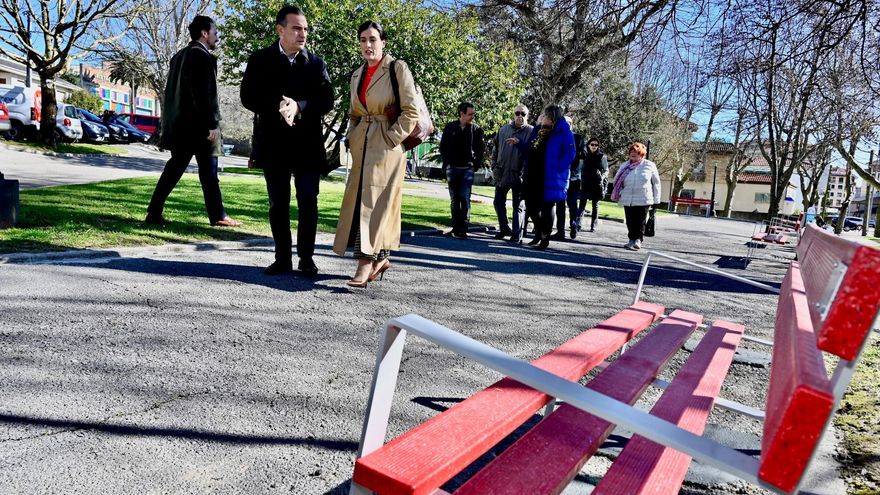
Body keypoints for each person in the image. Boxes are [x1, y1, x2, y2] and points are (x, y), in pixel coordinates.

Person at [240, 5, 334, 276]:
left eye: (305, 28)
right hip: (274, 145)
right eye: (296, 28)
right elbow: (247, 96)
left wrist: (300, 105)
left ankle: (306, 258)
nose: (302, 33)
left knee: (308, 200)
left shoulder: (316, 63)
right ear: (280, 30)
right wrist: (279, 104)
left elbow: (327, 100)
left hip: (307, 146)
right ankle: (282, 258)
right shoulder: (260, 60)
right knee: (277, 203)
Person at [332, 20, 419, 288]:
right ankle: (381, 258)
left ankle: (365, 263)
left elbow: (411, 111)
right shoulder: (357, 74)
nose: (367, 45)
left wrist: (391, 139)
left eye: (372, 39)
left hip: (387, 147)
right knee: (362, 201)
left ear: (383, 42)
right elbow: (354, 113)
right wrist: (351, 137)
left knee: (376, 204)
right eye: (362, 40)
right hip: (363, 145)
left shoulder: (397, 68)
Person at [145, 15, 241, 228]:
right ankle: (218, 216)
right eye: (215, 33)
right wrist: (211, 124)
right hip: (198, 128)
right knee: (208, 174)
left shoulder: (179, 56)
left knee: (174, 171)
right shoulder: (201, 56)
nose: (217, 37)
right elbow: (201, 94)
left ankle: (154, 212)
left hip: (180, 126)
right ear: (204, 33)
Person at [509, 105, 575, 250]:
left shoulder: (563, 132)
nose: (541, 117)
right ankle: (539, 231)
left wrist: (558, 169)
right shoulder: (538, 130)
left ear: (551, 118)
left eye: (544, 115)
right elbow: (531, 150)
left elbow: (570, 154)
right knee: (531, 206)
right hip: (533, 173)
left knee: (547, 206)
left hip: (549, 174)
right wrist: (519, 144)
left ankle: (545, 237)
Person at [440, 102, 484, 238]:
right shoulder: (450, 127)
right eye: (470, 114)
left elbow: (480, 150)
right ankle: (455, 227)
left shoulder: (476, 130)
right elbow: (443, 146)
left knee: (464, 197)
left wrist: (474, 165)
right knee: (454, 199)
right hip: (452, 168)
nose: (472, 117)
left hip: (467, 169)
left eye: (473, 114)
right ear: (462, 114)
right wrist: (447, 163)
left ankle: (463, 228)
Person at [491, 104, 533, 242]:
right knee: (498, 202)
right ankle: (504, 228)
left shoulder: (531, 132)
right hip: (502, 172)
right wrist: (494, 165)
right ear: (513, 114)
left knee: (519, 206)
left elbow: (533, 154)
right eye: (517, 113)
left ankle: (517, 235)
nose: (520, 116)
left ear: (528, 116)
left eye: (523, 114)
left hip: (519, 174)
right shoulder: (504, 129)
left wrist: (525, 173)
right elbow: (495, 148)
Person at [611, 142, 661, 250]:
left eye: (636, 152)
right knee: (630, 220)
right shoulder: (624, 165)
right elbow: (616, 180)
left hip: (644, 198)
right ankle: (631, 239)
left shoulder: (649, 165)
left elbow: (656, 183)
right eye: (631, 152)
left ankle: (638, 240)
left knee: (640, 221)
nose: (633, 154)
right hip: (627, 197)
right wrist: (618, 191)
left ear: (642, 154)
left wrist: (657, 200)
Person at [553, 129, 586, 239]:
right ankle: (560, 231)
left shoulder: (578, 138)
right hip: (560, 177)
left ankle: (573, 224)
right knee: (560, 205)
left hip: (573, 178)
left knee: (572, 204)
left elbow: (584, 154)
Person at [580, 137, 609, 233]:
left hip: (596, 183)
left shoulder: (602, 157)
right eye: (592, 144)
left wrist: (602, 177)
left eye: (596, 145)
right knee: (582, 204)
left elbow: (606, 170)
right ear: (588, 145)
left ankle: (593, 225)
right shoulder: (584, 155)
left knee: (595, 205)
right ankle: (578, 223)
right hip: (585, 182)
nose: (594, 146)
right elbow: (580, 168)